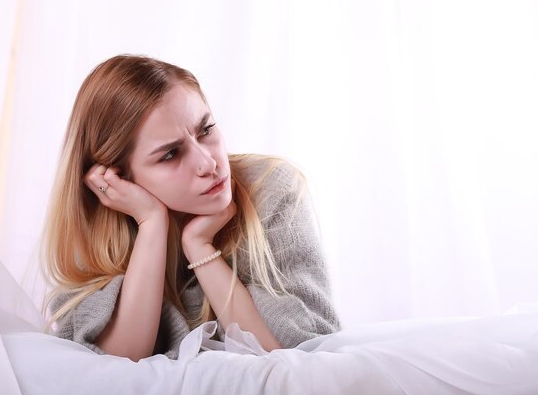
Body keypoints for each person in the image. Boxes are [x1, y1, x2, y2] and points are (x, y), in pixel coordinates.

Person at [42, 54, 341, 361]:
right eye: (170, 154)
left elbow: (297, 357)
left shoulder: (271, 189)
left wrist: (200, 248)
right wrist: (151, 222)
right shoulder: (102, 231)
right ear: (119, 177)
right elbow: (116, 366)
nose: (208, 163)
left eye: (207, 129)